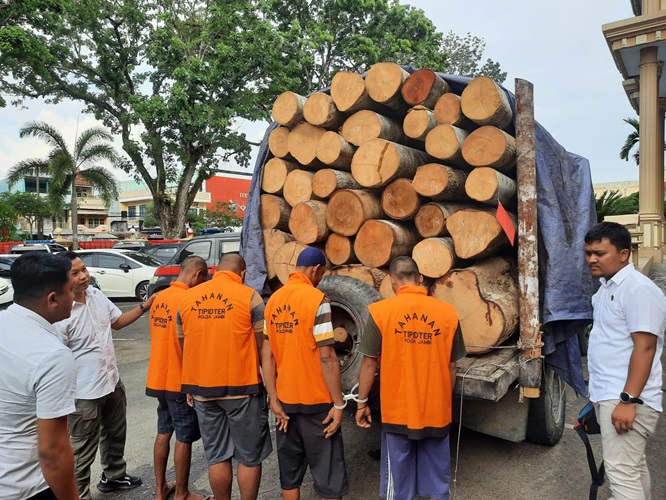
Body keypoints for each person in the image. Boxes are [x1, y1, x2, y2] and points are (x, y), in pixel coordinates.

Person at [355, 256, 467, 500]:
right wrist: (443, 402)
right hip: (436, 412)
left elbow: (369, 362)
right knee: (438, 487)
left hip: (398, 411)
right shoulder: (448, 314)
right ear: (421, 279)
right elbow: (452, 365)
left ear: (393, 282)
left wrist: (361, 403)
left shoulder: (381, 313)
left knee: (398, 491)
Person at [54, 251, 158, 500]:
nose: (83, 276)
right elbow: (56, 358)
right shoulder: (61, 313)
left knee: (114, 434)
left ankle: (114, 476)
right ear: (61, 279)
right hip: (84, 391)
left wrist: (146, 305)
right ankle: (78, 494)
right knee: (81, 448)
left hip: (111, 381)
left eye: (84, 270)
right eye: (75, 273)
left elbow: (118, 321)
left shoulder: (96, 295)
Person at [179, 253, 271, 500]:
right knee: (249, 457)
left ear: (216, 269)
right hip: (243, 389)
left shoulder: (187, 298)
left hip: (202, 390)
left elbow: (184, 347)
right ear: (242, 274)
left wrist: (189, 385)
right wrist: (272, 390)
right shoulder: (249, 297)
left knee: (217, 455)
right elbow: (263, 347)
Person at [584, 221, 666, 499]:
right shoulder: (605, 289)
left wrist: (628, 400)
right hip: (611, 393)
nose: (592, 259)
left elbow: (645, 347)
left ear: (623, 254)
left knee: (621, 475)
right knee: (633, 467)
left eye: (600, 253)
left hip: (626, 397)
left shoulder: (638, 289)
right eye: (589, 253)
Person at [262, 246, 349, 500]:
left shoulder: (274, 301)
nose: (320, 278)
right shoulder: (317, 300)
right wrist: (338, 403)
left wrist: (274, 399)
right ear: (315, 269)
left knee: (290, 476)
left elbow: (266, 355)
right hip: (317, 402)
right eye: (321, 273)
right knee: (329, 477)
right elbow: (327, 356)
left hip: (286, 403)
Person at [0, 252, 78, 499]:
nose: (75, 298)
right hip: (26, 487)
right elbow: (52, 452)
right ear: (53, 299)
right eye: (71, 291)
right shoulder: (52, 355)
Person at [146, 256, 208, 500]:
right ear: (198, 275)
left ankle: (161, 489)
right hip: (178, 379)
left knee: (164, 432)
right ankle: (182, 493)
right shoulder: (188, 300)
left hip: (158, 376)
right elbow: (190, 344)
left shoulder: (159, 299)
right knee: (184, 437)